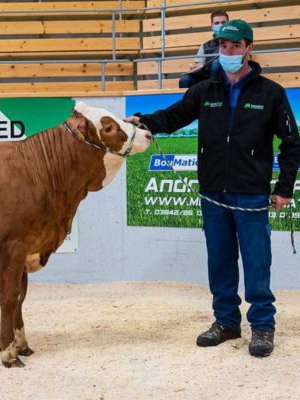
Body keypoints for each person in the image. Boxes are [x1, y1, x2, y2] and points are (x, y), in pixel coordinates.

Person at [125, 20, 300, 357]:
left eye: (235, 46)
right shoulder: (205, 90)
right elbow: (173, 116)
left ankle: (262, 326)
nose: (229, 52)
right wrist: (143, 121)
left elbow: (292, 144)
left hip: (250, 192)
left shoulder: (271, 93)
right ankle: (226, 322)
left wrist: (285, 188)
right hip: (212, 192)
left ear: (249, 48)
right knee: (220, 261)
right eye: (223, 46)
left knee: (256, 261)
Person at [179, 10, 229, 88]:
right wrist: (198, 67)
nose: (220, 25)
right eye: (217, 23)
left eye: (223, 22)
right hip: (207, 77)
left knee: (217, 62)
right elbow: (199, 66)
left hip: (229, 76)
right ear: (212, 26)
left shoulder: (237, 42)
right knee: (185, 80)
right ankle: (188, 100)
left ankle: (213, 92)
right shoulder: (205, 46)